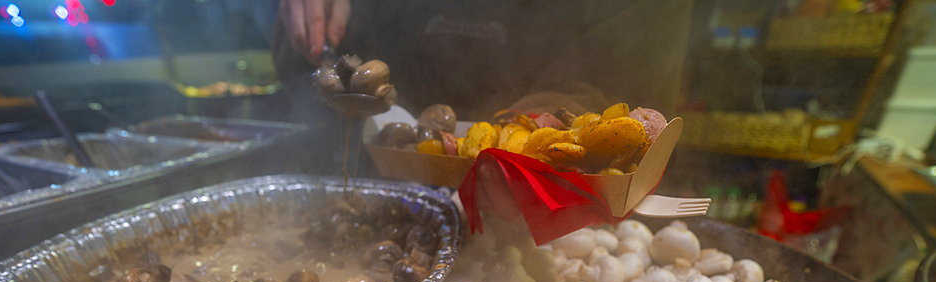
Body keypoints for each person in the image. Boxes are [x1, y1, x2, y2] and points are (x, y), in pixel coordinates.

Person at [273, 0, 694, 121]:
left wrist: (522, 141)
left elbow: (629, 84)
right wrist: (310, 25)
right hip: (373, 167)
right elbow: (306, 75)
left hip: (552, 213)